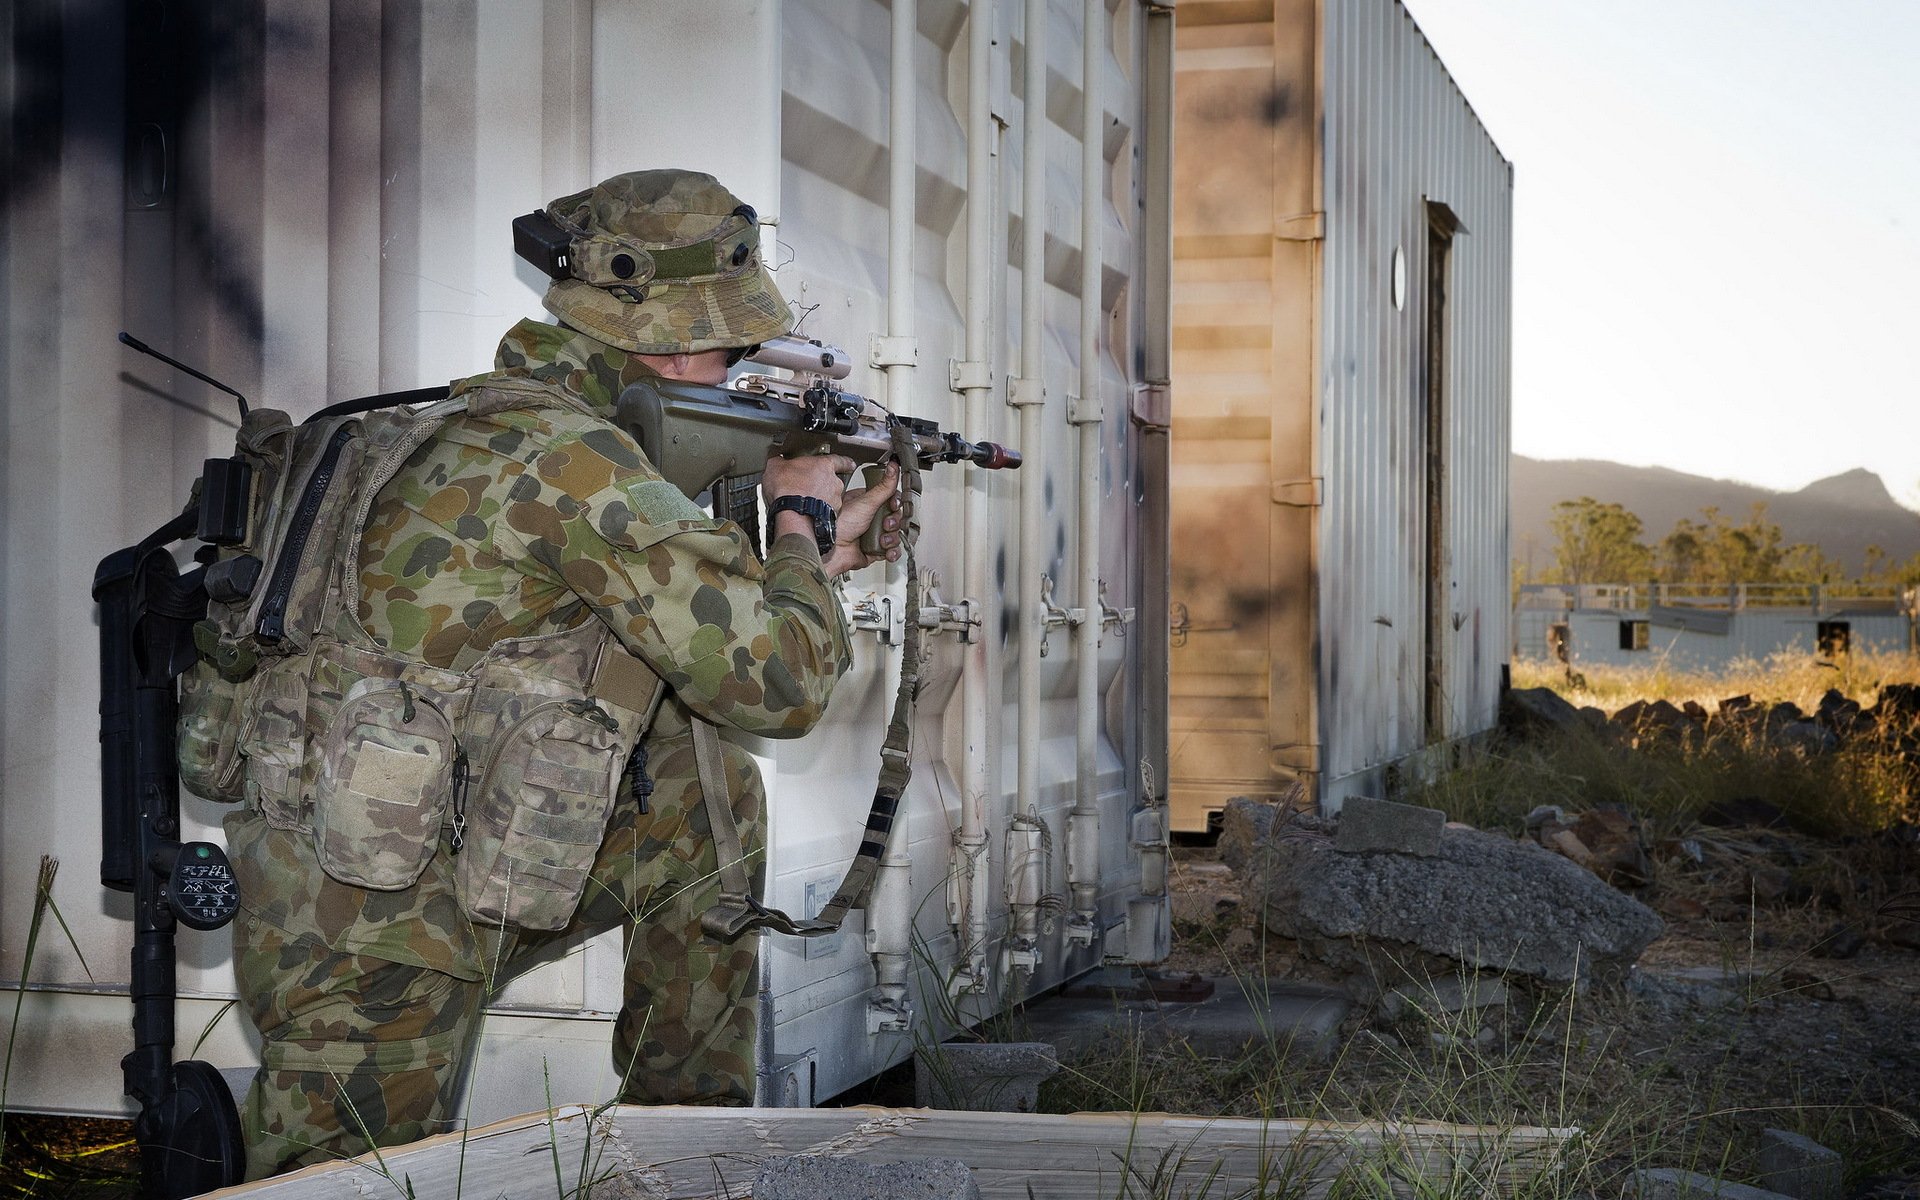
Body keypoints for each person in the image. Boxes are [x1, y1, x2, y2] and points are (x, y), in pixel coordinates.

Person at [222, 168, 900, 1179]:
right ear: (672, 340)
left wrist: (800, 558)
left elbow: (593, 626)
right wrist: (798, 521)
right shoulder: (575, 465)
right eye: (732, 345)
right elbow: (782, 681)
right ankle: (689, 1148)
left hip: (353, 866)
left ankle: (677, 1153)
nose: (737, 366)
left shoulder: (434, 430)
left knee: (702, 798)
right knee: (334, 1184)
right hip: (378, 941)